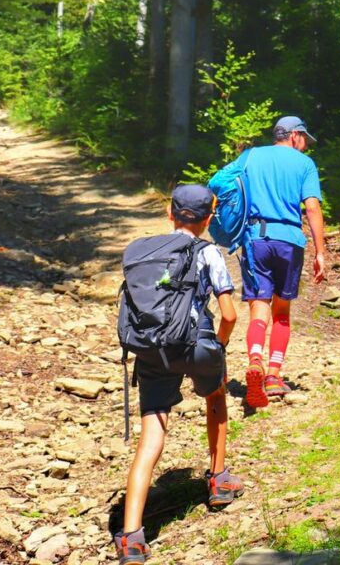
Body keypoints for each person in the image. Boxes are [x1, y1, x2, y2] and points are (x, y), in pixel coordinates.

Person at [112, 185, 240, 565]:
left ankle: (132, 535)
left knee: (153, 432)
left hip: (152, 350)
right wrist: (218, 346)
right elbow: (230, 314)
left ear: (170, 213)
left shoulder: (147, 250)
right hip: (197, 345)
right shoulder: (208, 253)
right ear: (208, 220)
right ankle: (218, 480)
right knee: (215, 395)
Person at [241, 115, 327, 408]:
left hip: (256, 238)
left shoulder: (251, 156)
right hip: (289, 240)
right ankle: (274, 376)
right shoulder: (304, 165)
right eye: (304, 139)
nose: (305, 146)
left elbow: (221, 184)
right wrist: (320, 252)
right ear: (294, 136)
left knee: (259, 307)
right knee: (282, 312)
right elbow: (312, 207)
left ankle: (255, 359)